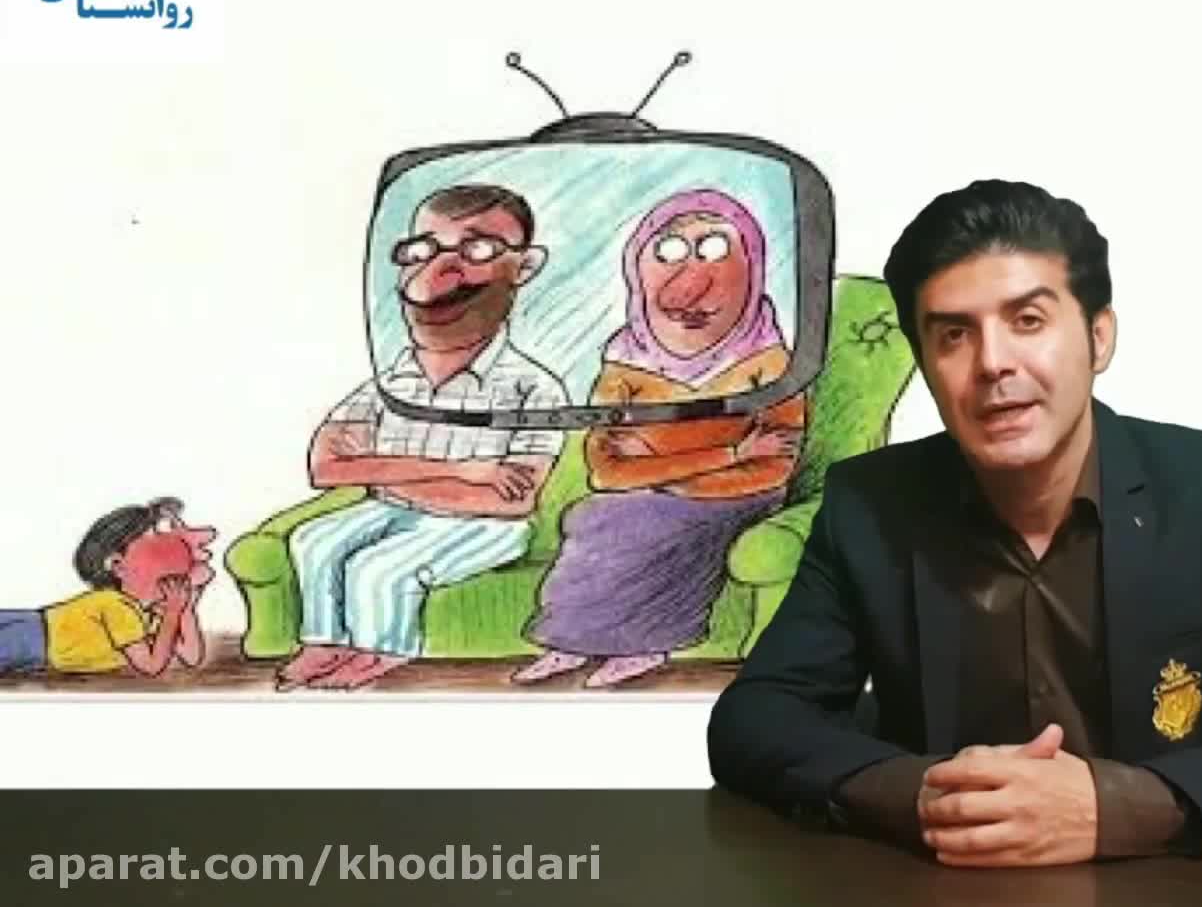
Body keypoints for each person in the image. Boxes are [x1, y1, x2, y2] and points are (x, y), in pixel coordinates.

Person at [707, 179, 1202, 867]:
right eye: (954, 335)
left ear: (1098, 336)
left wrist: (1116, 808)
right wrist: (924, 797)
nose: (993, 362)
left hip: (1167, 883)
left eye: (1028, 321)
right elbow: (754, 719)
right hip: (940, 885)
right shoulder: (869, 504)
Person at [279, 183, 570, 690]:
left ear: (523, 267)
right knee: (314, 539)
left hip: (486, 526)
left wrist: (384, 473)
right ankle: (324, 643)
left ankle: (379, 654)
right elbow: (325, 467)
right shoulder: (390, 381)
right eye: (423, 250)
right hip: (398, 509)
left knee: (380, 567)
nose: (441, 270)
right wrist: (466, 471)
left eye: (477, 248)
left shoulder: (533, 387)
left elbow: (510, 501)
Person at [515, 188, 805, 688]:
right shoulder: (625, 362)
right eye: (669, 252)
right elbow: (605, 471)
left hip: (739, 496)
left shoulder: (767, 361)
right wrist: (730, 451)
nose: (690, 288)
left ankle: (646, 645)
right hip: (665, 490)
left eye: (713, 250)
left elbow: (776, 462)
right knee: (596, 515)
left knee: (644, 520)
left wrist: (666, 469)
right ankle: (568, 643)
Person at [0, 497, 216, 677]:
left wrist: (186, 609)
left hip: (36, 649)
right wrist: (173, 613)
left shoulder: (151, 613)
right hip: (29, 636)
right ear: (117, 566)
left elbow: (191, 657)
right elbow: (151, 666)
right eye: (159, 553)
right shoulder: (116, 605)